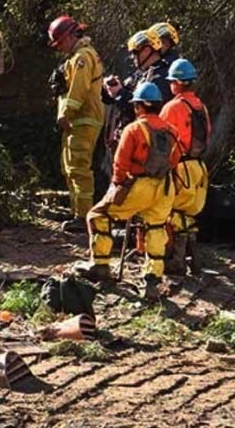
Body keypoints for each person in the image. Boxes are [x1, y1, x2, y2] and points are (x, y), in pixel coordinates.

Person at [81, 83, 180, 301]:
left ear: (139, 107)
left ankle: (101, 265)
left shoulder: (134, 129)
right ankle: (152, 281)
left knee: (98, 216)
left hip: (138, 185)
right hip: (164, 186)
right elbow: (174, 161)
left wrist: (117, 187)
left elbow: (120, 164)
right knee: (156, 228)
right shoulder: (171, 131)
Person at [47, 15, 104, 233]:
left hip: (82, 118)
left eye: (60, 42)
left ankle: (83, 216)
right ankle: (77, 211)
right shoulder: (79, 56)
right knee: (70, 166)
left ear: (71, 35)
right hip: (78, 119)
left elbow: (77, 90)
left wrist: (65, 113)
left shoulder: (82, 57)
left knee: (78, 167)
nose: (60, 47)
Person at [161, 59, 211, 278]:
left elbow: (161, 140)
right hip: (199, 168)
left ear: (178, 82)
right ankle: (195, 261)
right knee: (189, 215)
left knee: (175, 213)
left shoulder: (173, 107)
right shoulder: (201, 107)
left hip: (180, 168)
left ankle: (176, 261)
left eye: (172, 81)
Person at [103, 29, 173, 155]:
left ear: (146, 50)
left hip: (147, 146)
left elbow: (147, 108)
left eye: (135, 53)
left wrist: (120, 93)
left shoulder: (161, 76)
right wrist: (111, 90)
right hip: (133, 140)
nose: (133, 58)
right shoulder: (141, 75)